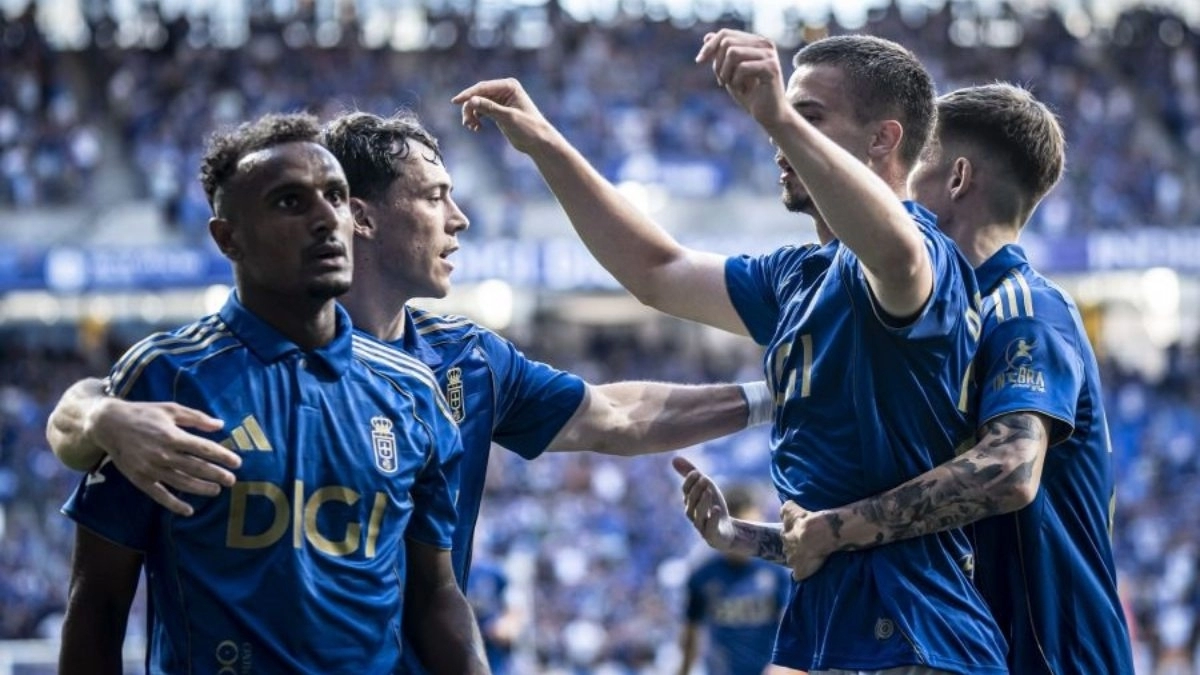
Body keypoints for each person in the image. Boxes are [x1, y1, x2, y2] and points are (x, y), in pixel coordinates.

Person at [46, 111, 774, 671]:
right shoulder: (184, 374)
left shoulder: (452, 366)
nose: (460, 219)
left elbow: (614, 416)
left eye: (330, 196)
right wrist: (100, 412)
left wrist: (774, 394)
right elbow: (96, 578)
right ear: (365, 219)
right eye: (435, 196)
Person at [453, 30, 1007, 675]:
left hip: (915, 637)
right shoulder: (798, 276)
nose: (776, 135)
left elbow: (897, 250)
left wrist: (776, 115)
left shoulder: (919, 254)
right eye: (785, 115)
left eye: (810, 116)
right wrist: (544, 144)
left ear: (883, 139)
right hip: (837, 631)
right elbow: (659, 271)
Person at [57, 113, 489, 673]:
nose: (326, 219)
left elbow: (436, 596)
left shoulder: (412, 391)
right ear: (228, 237)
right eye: (290, 202)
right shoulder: (167, 379)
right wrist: (100, 415)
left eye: (336, 197)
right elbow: (97, 603)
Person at [765, 84, 1135, 675]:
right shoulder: (941, 326)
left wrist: (834, 531)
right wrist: (755, 538)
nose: (896, 187)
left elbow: (1009, 469)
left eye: (914, 166)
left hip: (1053, 658)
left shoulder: (1022, 309)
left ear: (958, 178)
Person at [677, 483, 792, 675]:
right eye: (740, 532)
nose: (746, 541)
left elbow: (789, 626)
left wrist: (783, 666)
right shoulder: (703, 576)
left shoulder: (775, 572)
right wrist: (683, 670)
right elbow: (691, 632)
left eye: (753, 532)